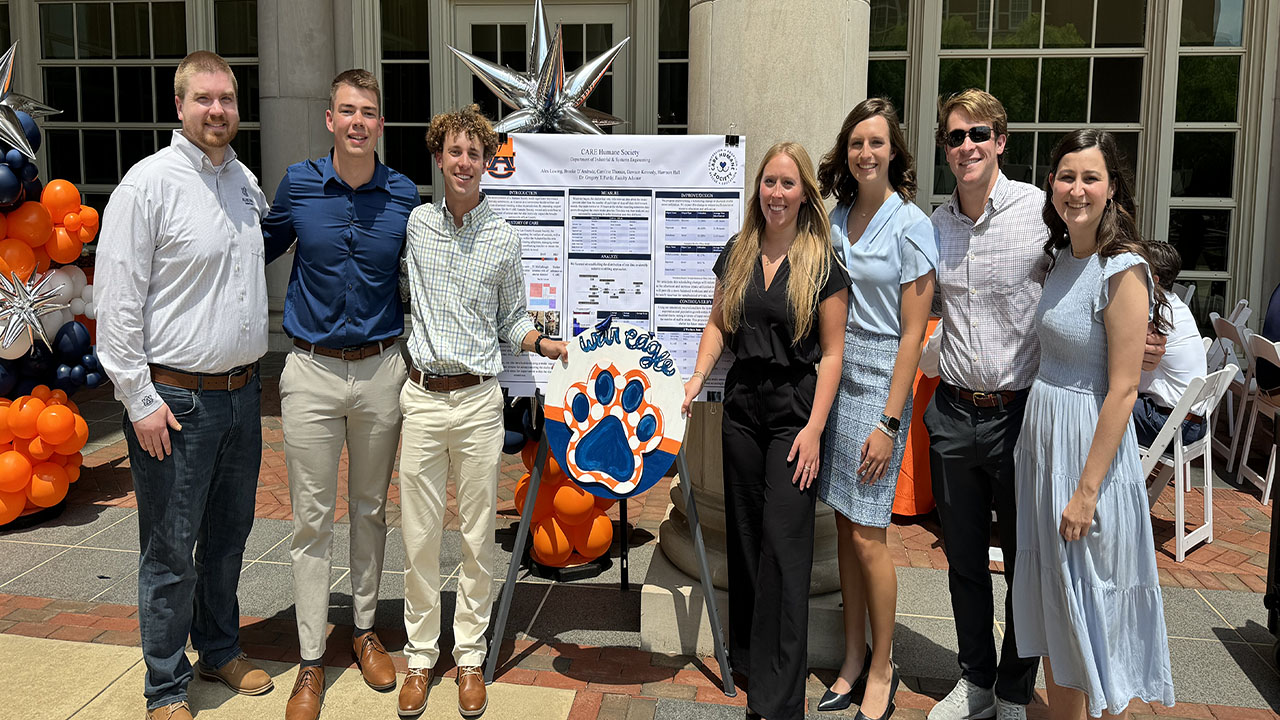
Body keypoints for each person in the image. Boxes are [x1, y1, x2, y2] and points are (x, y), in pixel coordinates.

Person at [96, 51, 273, 720]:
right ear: (180, 106)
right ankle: (165, 687)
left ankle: (221, 650)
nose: (218, 110)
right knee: (170, 551)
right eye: (204, 99)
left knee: (228, 538)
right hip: (174, 403)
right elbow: (114, 305)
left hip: (241, 396)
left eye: (227, 98)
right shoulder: (149, 186)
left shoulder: (241, 183)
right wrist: (138, 400)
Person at [397, 105, 569, 718]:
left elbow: (510, 320)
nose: (465, 162)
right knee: (418, 538)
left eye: (476, 153)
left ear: (488, 162)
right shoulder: (415, 225)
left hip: (476, 401)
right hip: (420, 397)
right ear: (439, 158)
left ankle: (468, 655)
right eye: (455, 151)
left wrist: (544, 343)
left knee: (475, 537)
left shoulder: (504, 237)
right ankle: (420, 657)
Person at [260, 69, 420, 720]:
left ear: (381, 124)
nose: (358, 121)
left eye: (370, 112)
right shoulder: (298, 185)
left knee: (370, 509)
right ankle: (308, 659)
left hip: (383, 368)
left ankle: (361, 630)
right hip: (312, 371)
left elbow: (436, 270)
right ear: (330, 120)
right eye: (347, 111)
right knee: (309, 519)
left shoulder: (405, 194)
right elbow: (251, 254)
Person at [682, 141, 850, 720]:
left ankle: (778, 703)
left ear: (805, 192)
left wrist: (814, 428)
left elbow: (832, 354)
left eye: (787, 184)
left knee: (785, 546)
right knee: (748, 541)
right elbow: (716, 324)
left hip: (793, 414)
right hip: (742, 409)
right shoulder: (739, 250)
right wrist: (696, 377)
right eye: (769, 183)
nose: (775, 194)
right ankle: (753, 660)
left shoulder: (822, 262)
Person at [1012, 128, 1175, 719]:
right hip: (1046, 440)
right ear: (1050, 184)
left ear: (1112, 190)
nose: (1076, 189)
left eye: (1090, 177)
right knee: (1058, 602)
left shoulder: (1123, 269)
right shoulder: (1058, 260)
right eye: (1065, 176)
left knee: (1090, 609)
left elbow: (1125, 387)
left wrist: (1086, 491)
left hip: (1089, 454)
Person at [813, 98, 936, 720]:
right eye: (857, 142)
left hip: (880, 377)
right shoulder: (837, 218)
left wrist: (890, 422)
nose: (866, 153)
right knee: (842, 527)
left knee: (869, 535)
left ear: (895, 152)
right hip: (834, 374)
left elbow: (913, 334)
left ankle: (885, 663)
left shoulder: (911, 223)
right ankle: (853, 657)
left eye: (877, 143)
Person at [923, 89, 1044, 720]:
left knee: (1026, 563)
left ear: (1000, 140)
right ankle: (974, 680)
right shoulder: (935, 225)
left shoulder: (1040, 211)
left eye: (977, 134)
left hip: (1021, 414)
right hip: (951, 411)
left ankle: (1014, 688)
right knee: (964, 561)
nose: (965, 146)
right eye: (953, 136)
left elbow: (1093, 275)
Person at [1132, 241, 1208, 448]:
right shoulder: (1174, 303)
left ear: (1153, 280)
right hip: (1191, 420)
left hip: (1172, 424)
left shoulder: (1156, 314)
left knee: (1095, 405)